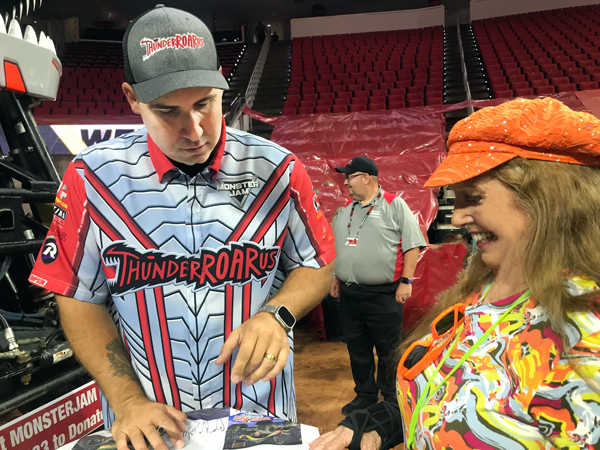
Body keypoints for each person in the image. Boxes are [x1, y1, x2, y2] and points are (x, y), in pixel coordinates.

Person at [28, 6, 336, 450]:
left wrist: (278, 313)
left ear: (219, 79)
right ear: (132, 98)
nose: (193, 130)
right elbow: (76, 297)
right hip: (147, 424)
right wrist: (127, 401)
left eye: (205, 103)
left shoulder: (278, 169)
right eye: (167, 110)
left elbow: (318, 264)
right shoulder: (90, 179)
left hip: (259, 418)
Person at [310, 97, 600, 450]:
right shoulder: (486, 287)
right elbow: (456, 388)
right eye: (456, 198)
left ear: (548, 199)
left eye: (473, 198)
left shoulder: (586, 338)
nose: (458, 218)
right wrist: (382, 425)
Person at [330, 156, 425, 415]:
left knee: (387, 350)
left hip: (384, 295)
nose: (346, 182)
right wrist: (336, 277)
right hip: (350, 294)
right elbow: (340, 248)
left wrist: (406, 281)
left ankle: (391, 396)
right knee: (357, 349)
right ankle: (365, 395)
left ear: (366, 177)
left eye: (349, 177)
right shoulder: (346, 210)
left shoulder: (395, 205)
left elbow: (412, 245)